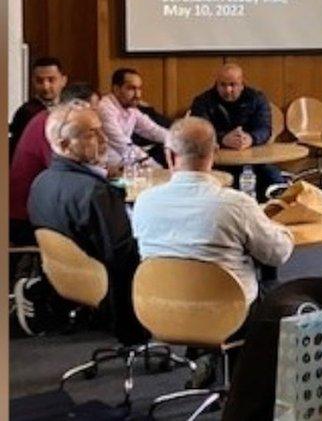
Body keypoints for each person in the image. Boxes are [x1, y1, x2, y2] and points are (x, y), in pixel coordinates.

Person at [133, 117, 294, 307]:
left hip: (160, 311)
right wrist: (281, 228)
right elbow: (278, 253)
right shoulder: (237, 205)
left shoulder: (143, 202)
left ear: (169, 155)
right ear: (215, 152)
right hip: (230, 316)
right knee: (287, 292)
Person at [27, 102, 146, 345]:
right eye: (92, 134)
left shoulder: (41, 182)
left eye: (102, 129)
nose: (104, 139)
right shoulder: (95, 193)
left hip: (71, 280)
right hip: (111, 289)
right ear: (63, 144)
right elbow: (123, 254)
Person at [10, 84, 100, 249]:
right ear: (76, 108)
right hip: (26, 219)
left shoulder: (50, 119)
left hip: (44, 209)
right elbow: (65, 168)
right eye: (93, 111)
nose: (96, 117)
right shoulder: (53, 127)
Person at [190, 63, 284, 201]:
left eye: (233, 85)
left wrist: (251, 138)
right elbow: (199, 130)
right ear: (216, 84)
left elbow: (265, 129)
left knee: (274, 179)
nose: (228, 90)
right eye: (223, 85)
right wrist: (222, 139)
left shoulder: (257, 99)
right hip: (218, 160)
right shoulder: (202, 101)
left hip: (254, 158)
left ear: (242, 84)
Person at [97, 68, 170, 167]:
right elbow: (123, 144)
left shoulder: (131, 108)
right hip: (108, 165)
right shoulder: (105, 109)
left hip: (126, 160)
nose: (138, 95)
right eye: (131, 89)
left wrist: (181, 141)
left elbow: (153, 131)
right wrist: (156, 168)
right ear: (116, 89)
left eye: (139, 89)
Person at [9, 57, 67, 156]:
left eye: (51, 80)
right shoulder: (26, 112)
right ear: (33, 81)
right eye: (39, 81)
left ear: (63, 80)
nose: (46, 86)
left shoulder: (70, 109)